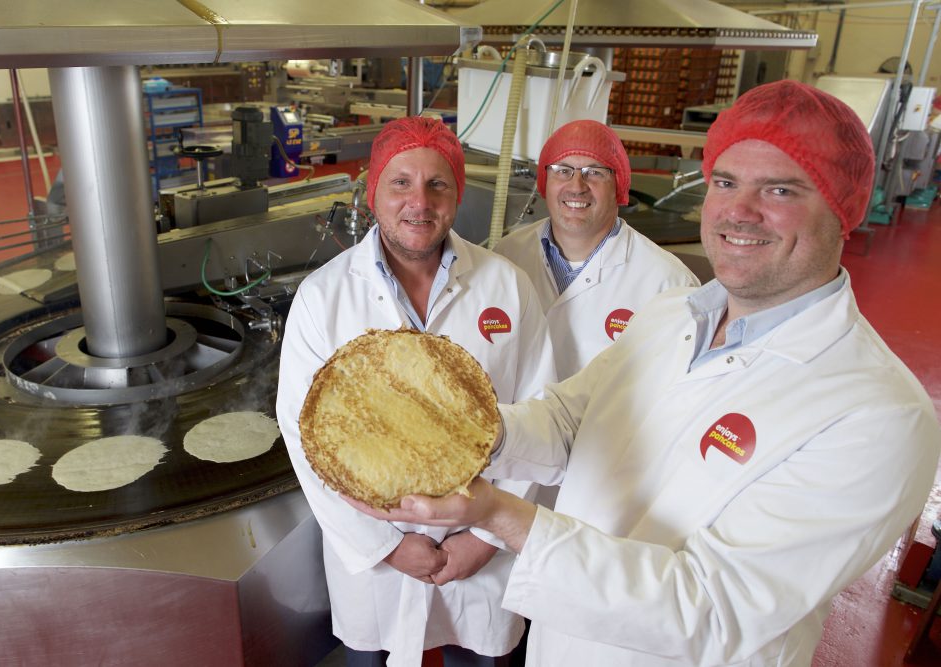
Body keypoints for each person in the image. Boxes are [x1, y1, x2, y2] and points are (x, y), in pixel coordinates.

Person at [348, 81, 941, 666]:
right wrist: (463, 430)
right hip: (563, 643)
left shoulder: (878, 415)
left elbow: (714, 608)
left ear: (842, 209)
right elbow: (568, 419)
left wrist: (500, 516)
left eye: (780, 189)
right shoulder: (673, 314)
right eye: (725, 183)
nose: (739, 211)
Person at [275, 116, 557, 667]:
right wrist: (386, 546)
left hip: (480, 548)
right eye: (400, 182)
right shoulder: (323, 296)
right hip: (377, 559)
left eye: (437, 184)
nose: (419, 202)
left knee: (478, 654)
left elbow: (539, 414)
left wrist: (488, 538)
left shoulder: (506, 285)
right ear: (373, 192)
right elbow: (303, 436)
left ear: (458, 194)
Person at [495, 120, 699, 378]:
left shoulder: (669, 283)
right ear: (545, 182)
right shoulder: (507, 255)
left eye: (594, 172)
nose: (577, 186)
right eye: (562, 170)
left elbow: (681, 388)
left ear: (619, 185)